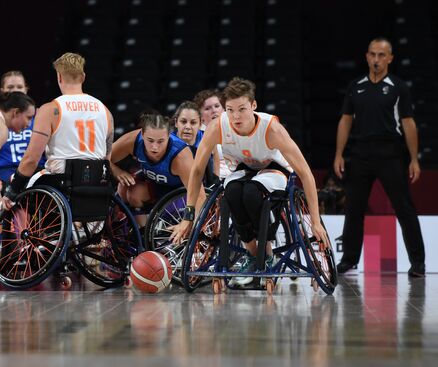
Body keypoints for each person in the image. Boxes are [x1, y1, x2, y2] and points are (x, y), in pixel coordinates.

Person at [171, 77, 328, 286]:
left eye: (242, 109)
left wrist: (315, 222)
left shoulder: (272, 129)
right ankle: (253, 253)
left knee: (252, 193)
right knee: (233, 193)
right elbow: (197, 169)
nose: (236, 116)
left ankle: (267, 251)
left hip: (274, 167)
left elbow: (306, 174)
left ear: (253, 106)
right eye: (230, 109)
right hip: (243, 167)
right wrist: (188, 216)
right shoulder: (218, 126)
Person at [333, 37, 425, 277]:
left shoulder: (398, 87)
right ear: (366, 56)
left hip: (390, 152)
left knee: (404, 207)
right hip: (361, 152)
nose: (376, 59)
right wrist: (339, 154)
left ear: (390, 58)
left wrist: (414, 159)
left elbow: (409, 123)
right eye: (372, 54)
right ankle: (349, 260)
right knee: (353, 208)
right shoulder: (356, 86)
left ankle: (418, 262)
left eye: (381, 55)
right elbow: (345, 120)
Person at [2, 52, 113, 210]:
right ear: (83, 77)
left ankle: (23, 233)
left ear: (59, 77)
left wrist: (12, 191)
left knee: (16, 183)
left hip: (60, 185)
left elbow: (31, 159)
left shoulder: (50, 109)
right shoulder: (105, 111)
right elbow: (107, 158)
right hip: (96, 185)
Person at [110, 113, 205, 227]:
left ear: (169, 136)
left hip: (181, 190)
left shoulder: (180, 157)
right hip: (156, 182)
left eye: (160, 141)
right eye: (150, 140)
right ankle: (140, 233)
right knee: (123, 187)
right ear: (142, 134)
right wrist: (117, 171)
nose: (154, 147)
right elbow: (104, 158)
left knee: (134, 194)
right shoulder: (133, 140)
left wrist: (188, 221)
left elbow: (200, 195)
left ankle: (150, 233)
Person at [0, 71, 46, 185]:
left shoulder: (39, 116)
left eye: (19, 87)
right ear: (2, 90)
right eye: (10, 87)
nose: (15, 90)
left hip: (35, 170)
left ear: (26, 89)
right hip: (5, 173)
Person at [193, 89, 231, 179]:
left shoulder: (236, 126)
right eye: (207, 108)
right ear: (200, 116)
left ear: (224, 109)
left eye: (217, 106)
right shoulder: (197, 135)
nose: (214, 111)